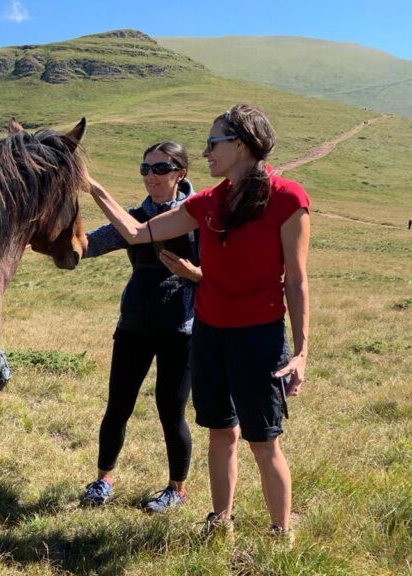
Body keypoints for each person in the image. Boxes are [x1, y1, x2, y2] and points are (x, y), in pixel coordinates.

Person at [86, 104, 310, 546]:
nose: (205, 153)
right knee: (221, 431)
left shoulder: (288, 199)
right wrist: (92, 187)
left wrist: (301, 350)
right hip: (207, 334)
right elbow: (136, 232)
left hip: (259, 336)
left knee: (263, 441)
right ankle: (219, 519)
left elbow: (297, 280)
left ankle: (281, 536)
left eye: (213, 144)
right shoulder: (207, 201)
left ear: (241, 145)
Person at [79, 141, 201, 513]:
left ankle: (176, 490)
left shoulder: (198, 217)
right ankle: (102, 481)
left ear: (180, 172)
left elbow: (222, 274)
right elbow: (88, 246)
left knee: (171, 409)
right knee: (117, 406)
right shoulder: (133, 217)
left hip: (180, 329)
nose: (151, 176)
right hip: (133, 326)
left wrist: (191, 273)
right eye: (145, 169)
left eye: (160, 169)